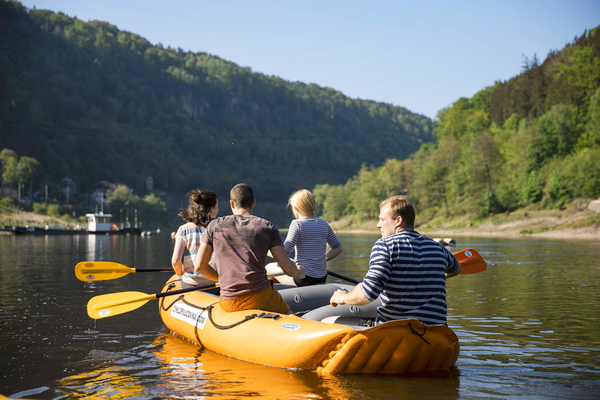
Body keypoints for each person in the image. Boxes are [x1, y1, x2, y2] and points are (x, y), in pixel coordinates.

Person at [328, 195, 461, 326]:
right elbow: (456, 269)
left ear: (398, 220)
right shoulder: (437, 247)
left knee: (327, 322)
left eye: (382, 219)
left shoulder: (384, 246)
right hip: (437, 334)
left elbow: (367, 294)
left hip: (396, 331)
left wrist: (343, 297)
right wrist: (426, 277)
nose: (378, 225)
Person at [193, 183, 306, 314]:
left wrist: (223, 279)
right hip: (261, 297)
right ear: (253, 203)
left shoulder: (214, 226)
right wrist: (299, 273)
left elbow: (200, 266)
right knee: (289, 314)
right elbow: (286, 266)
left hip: (229, 301)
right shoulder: (267, 227)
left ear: (232, 204)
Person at [266, 189, 342, 286]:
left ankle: (275, 296)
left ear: (296, 208)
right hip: (322, 277)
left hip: (303, 278)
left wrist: (266, 250)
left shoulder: (297, 224)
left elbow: (284, 253)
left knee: (269, 267)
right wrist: (322, 259)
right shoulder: (324, 224)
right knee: (284, 265)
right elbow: (337, 248)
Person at [171, 189, 219, 285]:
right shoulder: (218, 228)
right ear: (211, 209)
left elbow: (176, 261)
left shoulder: (184, 229)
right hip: (215, 282)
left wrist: (180, 274)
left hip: (191, 283)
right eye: (217, 207)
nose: (218, 210)